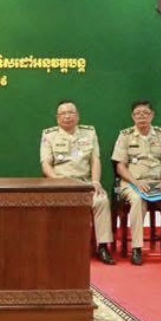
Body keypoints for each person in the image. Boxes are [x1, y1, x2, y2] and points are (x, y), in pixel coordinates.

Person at [40, 100, 114, 265]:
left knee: (101, 200)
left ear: (77, 116)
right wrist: (56, 180)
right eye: (63, 113)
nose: (67, 116)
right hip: (61, 184)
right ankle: (57, 247)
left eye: (70, 112)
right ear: (57, 118)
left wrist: (96, 181)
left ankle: (103, 246)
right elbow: (46, 164)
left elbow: (95, 160)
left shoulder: (89, 133)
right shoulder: (49, 135)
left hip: (84, 183)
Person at [111, 100, 161, 265]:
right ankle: (137, 248)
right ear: (132, 116)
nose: (141, 116)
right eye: (137, 114)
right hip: (132, 183)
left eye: (145, 113)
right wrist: (136, 183)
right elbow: (120, 166)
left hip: (156, 183)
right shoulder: (125, 136)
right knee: (137, 200)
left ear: (152, 115)